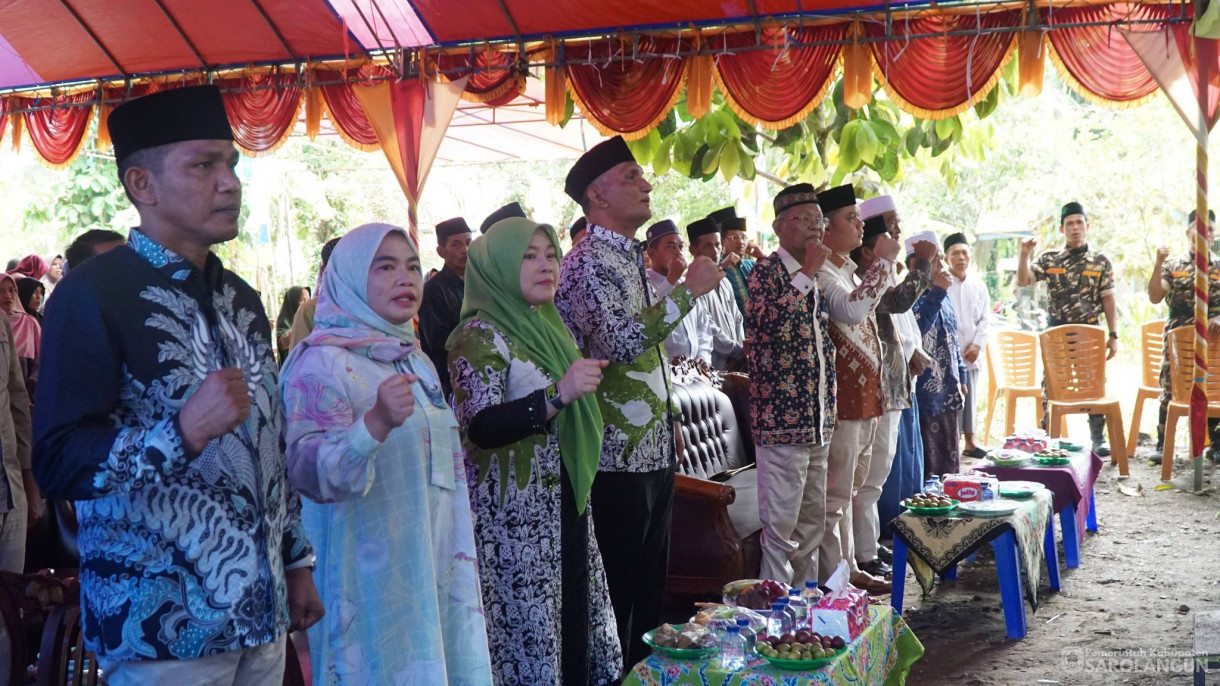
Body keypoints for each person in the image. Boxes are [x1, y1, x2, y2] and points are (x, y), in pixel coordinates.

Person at [32, 85, 322, 684]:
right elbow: (57, 460)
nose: (230, 183)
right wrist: (180, 433)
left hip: (260, 617)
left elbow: (268, 449)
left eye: (231, 164)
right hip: (159, 631)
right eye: (203, 165)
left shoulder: (241, 298)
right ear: (143, 185)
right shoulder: (91, 295)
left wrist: (296, 561)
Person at [280, 223, 493, 685]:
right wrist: (373, 425)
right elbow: (305, 475)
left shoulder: (413, 357)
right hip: (368, 574)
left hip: (434, 557)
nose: (405, 278)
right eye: (385, 267)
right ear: (350, 277)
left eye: (413, 267)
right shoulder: (320, 362)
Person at [555, 135, 722, 668]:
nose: (647, 184)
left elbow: (651, 356)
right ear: (598, 195)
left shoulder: (628, 259)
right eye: (632, 177)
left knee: (650, 594)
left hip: (651, 450)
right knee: (619, 596)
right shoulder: (586, 264)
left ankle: (645, 677)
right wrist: (688, 290)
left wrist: (671, 421)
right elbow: (621, 343)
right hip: (612, 457)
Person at [449, 217, 622, 685]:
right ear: (498, 265)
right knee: (530, 639)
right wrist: (558, 394)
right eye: (528, 256)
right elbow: (480, 425)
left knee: (572, 630)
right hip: (514, 522)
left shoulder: (547, 325)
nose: (546, 265)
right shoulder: (477, 335)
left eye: (550, 255)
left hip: (563, 501)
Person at [746, 183, 835, 585]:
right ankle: (774, 609)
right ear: (780, 227)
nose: (816, 227)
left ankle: (807, 603)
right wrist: (808, 272)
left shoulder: (815, 275)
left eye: (819, 220)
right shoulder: (765, 272)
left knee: (812, 524)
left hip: (817, 420)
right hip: (781, 422)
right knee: (781, 529)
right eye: (805, 219)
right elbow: (772, 328)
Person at [813, 184, 899, 594]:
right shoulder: (821, 273)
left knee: (849, 493)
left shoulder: (844, 268)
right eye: (851, 218)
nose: (860, 224)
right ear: (826, 228)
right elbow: (852, 310)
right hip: (842, 403)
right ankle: (835, 582)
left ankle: (848, 569)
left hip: (864, 400)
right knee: (834, 498)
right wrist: (882, 264)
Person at [849, 214, 934, 580]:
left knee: (875, 477)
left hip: (891, 389)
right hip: (876, 391)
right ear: (869, 252)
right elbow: (899, 302)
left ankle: (867, 546)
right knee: (867, 480)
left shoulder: (874, 281)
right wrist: (923, 263)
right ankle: (863, 554)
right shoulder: (860, 282)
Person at [1017, 201, 1118, 455]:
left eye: (1079, 223)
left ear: (1087, 226)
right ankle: (1048, 437)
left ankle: (1098, 438)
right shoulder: (1050, 259)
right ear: (1062, 229)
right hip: (1057, 335)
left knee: (1094, 386)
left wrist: (1114, 335)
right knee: (1052, 387)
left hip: (1089, 334)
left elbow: (1108, 298)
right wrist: (1024, 254)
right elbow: (1024, 281)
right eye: (1070, 224)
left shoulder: (1100, 261)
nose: (1075, 228)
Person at [1148, 209, 1220, 462]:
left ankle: (1216, 443)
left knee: (1214, 386)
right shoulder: (1173, 266)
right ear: (1188, 233)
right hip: (1178, 339)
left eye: (1210, 229)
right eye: (1199, 229)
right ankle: (1162, 443)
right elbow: (1155, 296)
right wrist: (1158, 263)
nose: (1204, 234)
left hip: (1213, 340)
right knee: (1171, 387)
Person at [912, 252, 969, 477]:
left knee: (950, 457)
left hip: (949, 388)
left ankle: (951, 494)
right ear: (916, 264)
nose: (942, 266)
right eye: (935, 261)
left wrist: (962, 375)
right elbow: (918, 330)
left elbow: (953, 338)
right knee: (928, 462)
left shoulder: (944, 295)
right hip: (925, 392)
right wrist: (937, 292)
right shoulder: (910, 297)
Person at [944, 233, 992, 458]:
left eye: (964, 253)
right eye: (955, 253)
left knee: (970, 396)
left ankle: (970, 442)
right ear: (946, 258)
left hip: (971, 352)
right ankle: (951, 442)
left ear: (970, 256)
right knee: (951, 398)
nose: (961, 257)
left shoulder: (978, 285)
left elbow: (985, 319)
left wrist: (977, 345)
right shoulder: (942, 284)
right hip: (948, 353)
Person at [0, 282, 35, 574]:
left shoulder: (2, 321)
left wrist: (29, 483)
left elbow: (17, 400)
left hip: (10, 489)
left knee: (13, 593)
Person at [645, 220, 713, 365]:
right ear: (652, 252)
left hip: (695, 371)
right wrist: (671, 279)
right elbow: (649, 318)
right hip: (664, 372)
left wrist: (703, 357)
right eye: (670, 246)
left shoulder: (687, 284)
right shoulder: (643, 283)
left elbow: (703, 327)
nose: (678, 252)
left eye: (680, 246)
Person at [418, 217, 473, 397]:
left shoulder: (479, 283)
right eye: (456, 244)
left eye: (468, 242)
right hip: (451, 382)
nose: (464, 250)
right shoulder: (432, 289)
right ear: (441, 251)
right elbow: (438, 342)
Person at [687, 216, 745, 370]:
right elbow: (708, 328)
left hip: (736, 362)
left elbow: (737, 319)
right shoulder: (692, 286)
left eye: (718, 245)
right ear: (693, 250)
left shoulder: (724, 281)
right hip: (713, 366)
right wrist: (736, 351)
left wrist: (741, 351)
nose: (715, 251)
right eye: (708, 246)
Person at [287, 237, 341, 350]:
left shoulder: (373, 305)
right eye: (340, 265)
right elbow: (300, 358)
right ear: (324, 269)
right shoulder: (310, 311)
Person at [711, 206, 762, 315]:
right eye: (734, 237)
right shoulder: (716, 268)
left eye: (744, 237)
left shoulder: (752, 265)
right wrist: (722, 266)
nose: (741, 242)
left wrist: (763, 258)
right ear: (722, 241)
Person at [0, 275, 40, 399]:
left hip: (25, 398)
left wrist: (31, 391)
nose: (8, 296)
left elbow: (43, 359)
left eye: (12, 290)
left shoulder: (29, 323)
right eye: (1, 291)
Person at [274, 285, 308, 364]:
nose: (306, 303)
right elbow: (283, 343)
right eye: (302, 300)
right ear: (292, 302)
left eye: (308, 300)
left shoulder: (309, 319)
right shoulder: (284, 321)